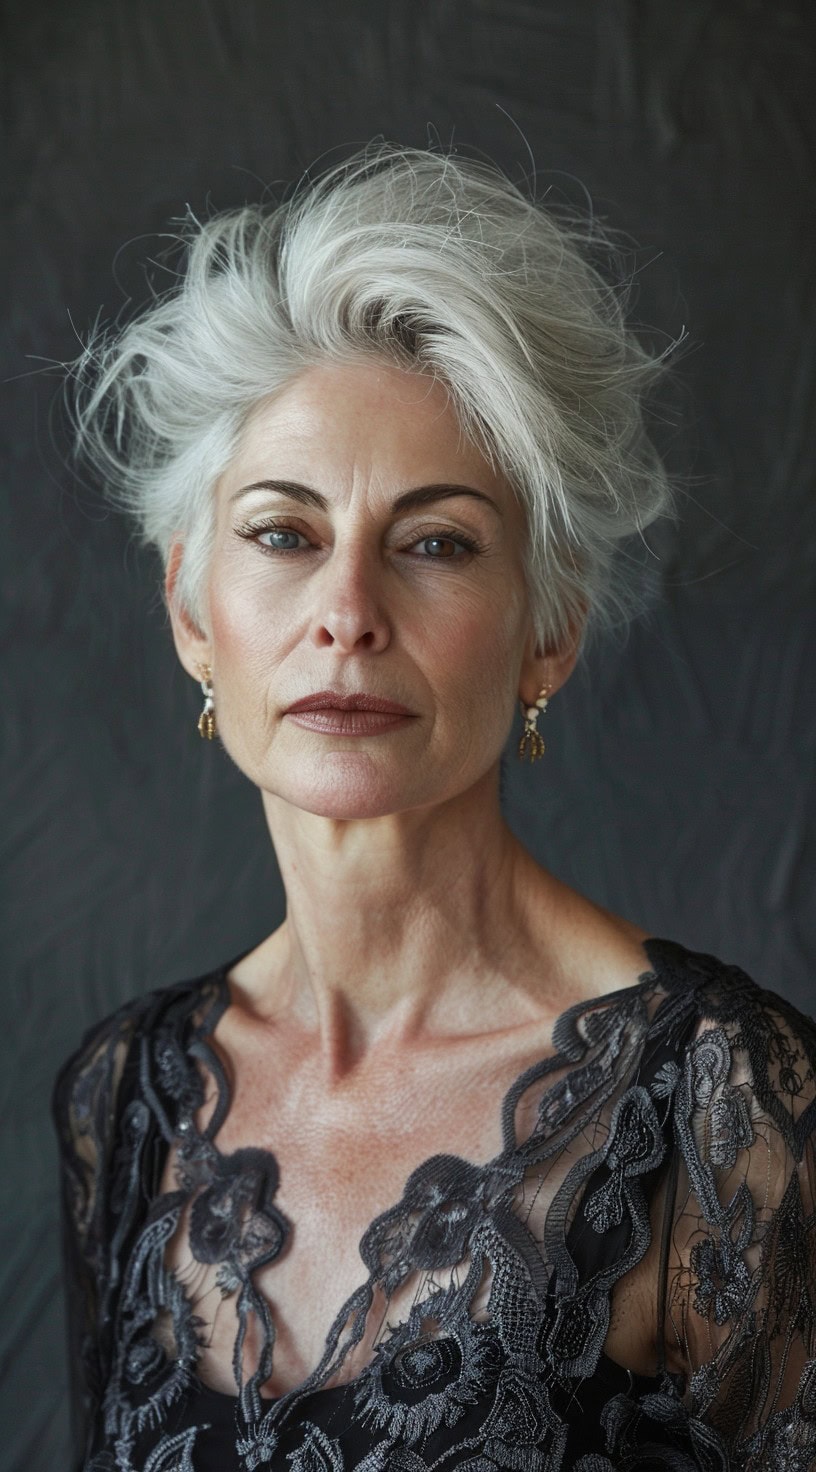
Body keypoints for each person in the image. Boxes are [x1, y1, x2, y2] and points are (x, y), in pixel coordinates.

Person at [52, 141, 816, 1472]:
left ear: (550, 632)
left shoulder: (718, 1102)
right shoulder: (124, 1099)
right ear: (189, 608)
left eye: (437, 542)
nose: (347, 613)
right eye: (285, 533)